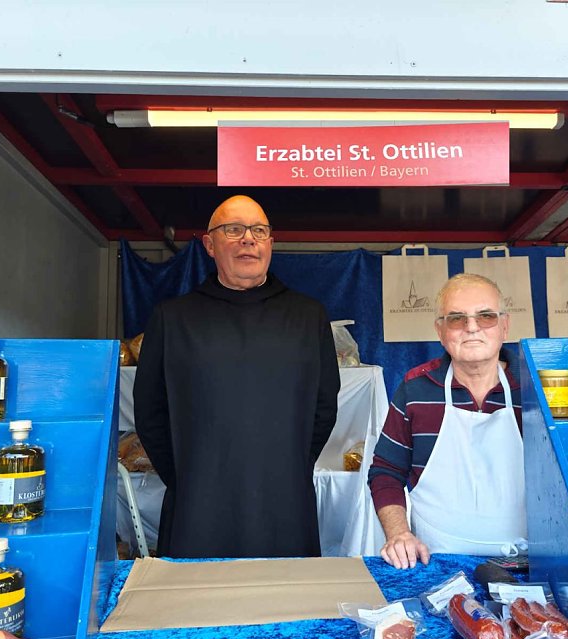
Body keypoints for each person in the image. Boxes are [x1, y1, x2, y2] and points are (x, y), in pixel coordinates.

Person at [133, 195, 340, 558]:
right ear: (209, 244)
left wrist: (289, 467)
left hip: (285, 505)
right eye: (234, 229)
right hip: (198, 507)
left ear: (271, 244)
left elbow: (324, 407)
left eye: (259, 231)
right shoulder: (173, 319)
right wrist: (188, 477)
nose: (248, 239)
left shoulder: (308, 317)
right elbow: (150, 413)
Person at [368, 273, 525, 568]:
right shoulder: (415, 389)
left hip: (526, 562)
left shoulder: (534, 390)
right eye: (456, 319)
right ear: (440, 331)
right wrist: (399, 534)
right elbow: (385, 472)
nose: (472, 328)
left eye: (485, 316)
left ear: (505, 326)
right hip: (435, 562)